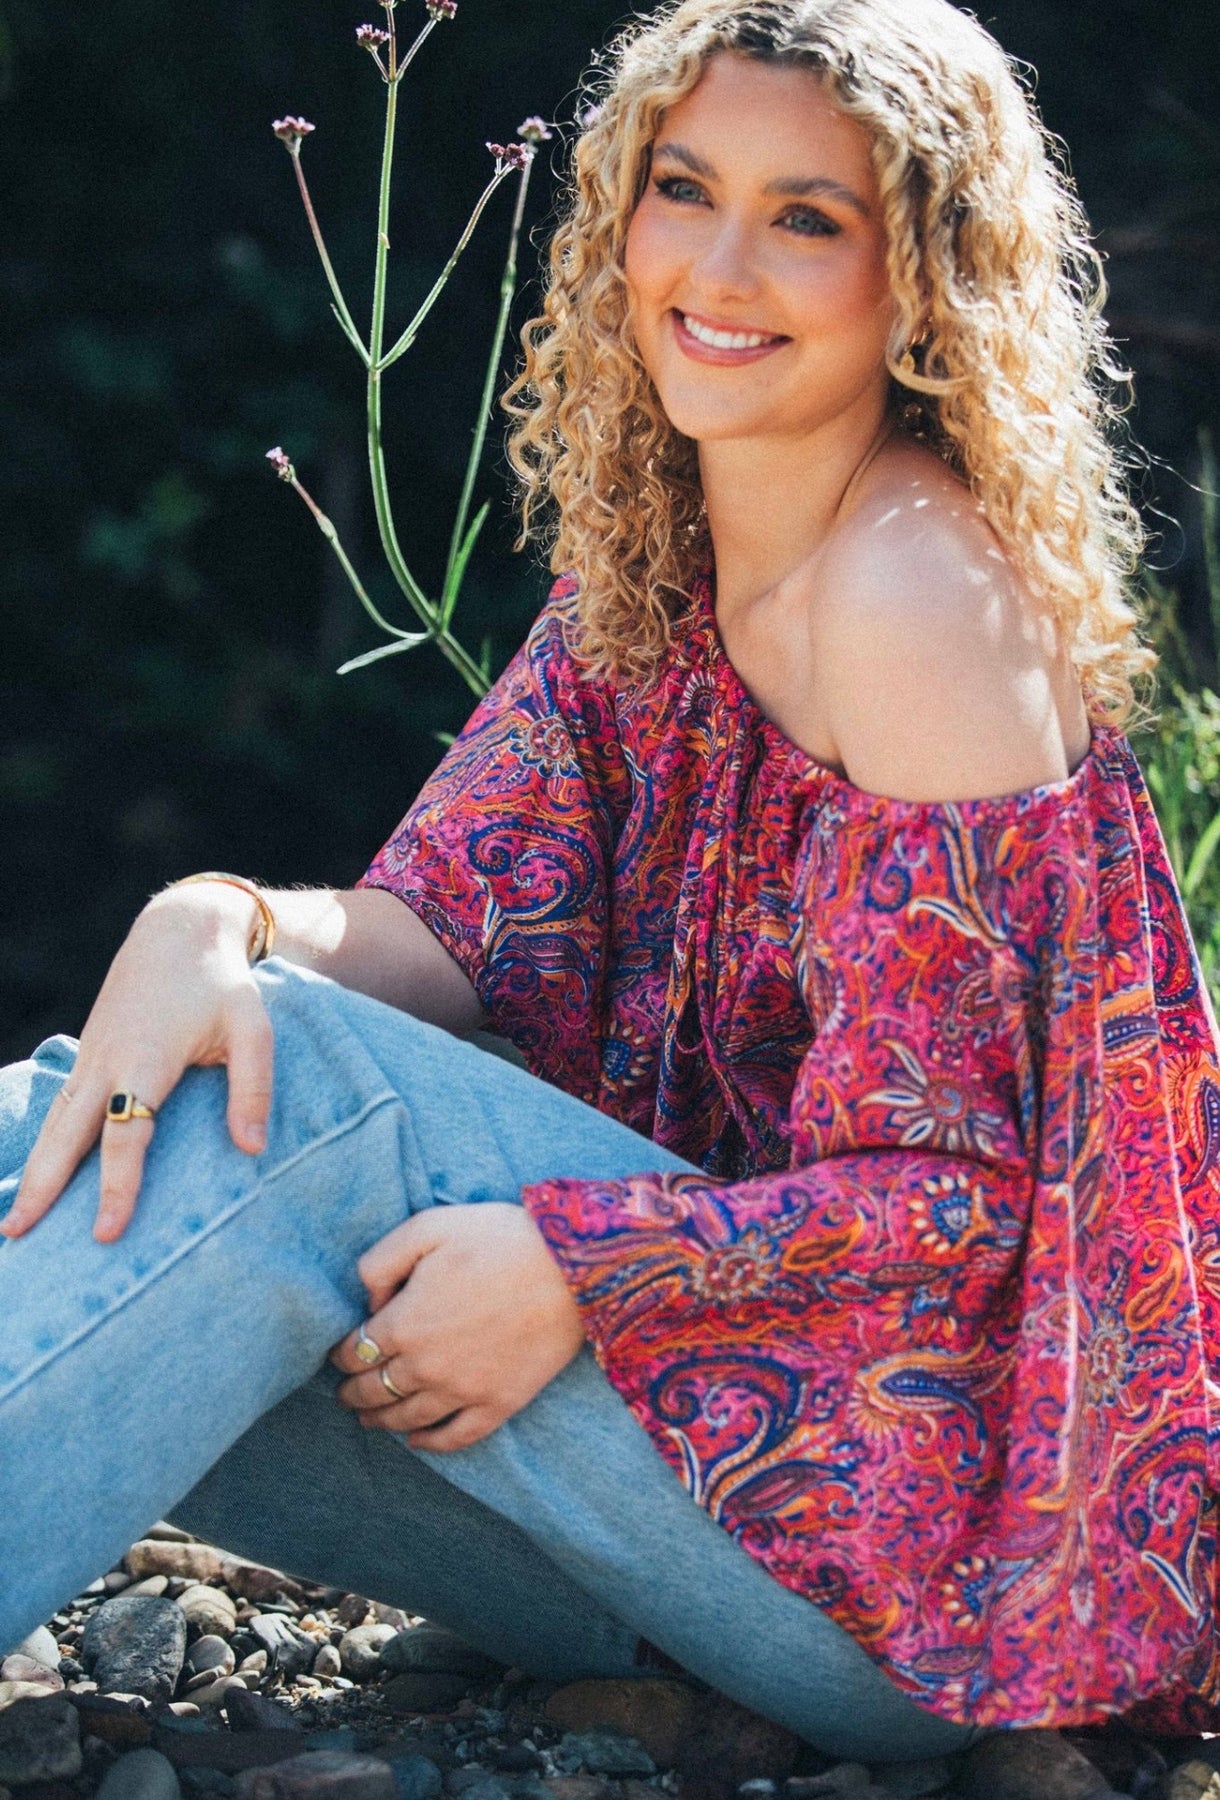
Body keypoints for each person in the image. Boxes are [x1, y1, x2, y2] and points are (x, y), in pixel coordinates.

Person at [3, 0, 1219, 1757]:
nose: (717, 268)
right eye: (684, 188)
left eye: (807, 218)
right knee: (133, 1091)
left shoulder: (920, 596)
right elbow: (445, 923)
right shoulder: (672, 555)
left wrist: (589, 1268)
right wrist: (221, 921)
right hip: (674, 1508)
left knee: (303, 1093)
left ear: (926, 282)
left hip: (934, 1572)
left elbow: (968, 1207)